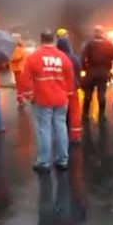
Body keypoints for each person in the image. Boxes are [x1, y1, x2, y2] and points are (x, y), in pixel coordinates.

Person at [22, 30, 75, 174]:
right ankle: (62, 160)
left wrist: (29, 95)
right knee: (61, 128)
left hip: (42, 99)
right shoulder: (63, 57)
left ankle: (44, 162)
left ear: (41, 40)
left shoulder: (33, 57)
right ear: (54, 40)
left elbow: (25, 79)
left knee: (44, 130)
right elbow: (70, 78)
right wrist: (68, 93)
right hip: (61, 99)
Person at [80, 26, 113, 119]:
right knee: (101, 93)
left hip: (91, 71)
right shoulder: (108, 44)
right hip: (104, 72)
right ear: (102, 33)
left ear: (94, 33)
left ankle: (85, 113)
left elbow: (82, 58)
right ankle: (101, 113)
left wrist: (85, 68)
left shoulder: (89, 44)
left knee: (88, 92)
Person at [56, 36, 82, 143]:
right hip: (72, 88)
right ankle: (75, 135)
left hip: (59, 88)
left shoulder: (56, 58)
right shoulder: (74, 58)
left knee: (59, 113)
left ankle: (60, 135)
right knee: (75, 111)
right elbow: (79, 70)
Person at [10, 33, 27, 108]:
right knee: (20, 85)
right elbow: (16, 57)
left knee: (21, 85)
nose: (20, 39)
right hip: (18, 69)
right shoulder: (15, 48)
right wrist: (22, 53)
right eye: (19, 38)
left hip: (20, 68)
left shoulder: (18, 47)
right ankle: (20, 99)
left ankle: (21, 99)